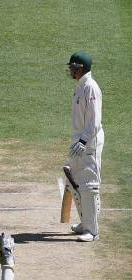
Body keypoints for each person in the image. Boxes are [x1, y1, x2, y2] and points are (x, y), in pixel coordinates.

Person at [65, 51, 104, 242]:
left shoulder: (91, 88)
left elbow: (95, 121)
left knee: (89, 185)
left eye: (72, 67)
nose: (70, 70)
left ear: (80, 68)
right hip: (78, 141)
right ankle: (85, 223)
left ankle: (93, 231)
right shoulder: (81, 86)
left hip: (89, 143)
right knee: (77, 181)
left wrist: (84, 140)